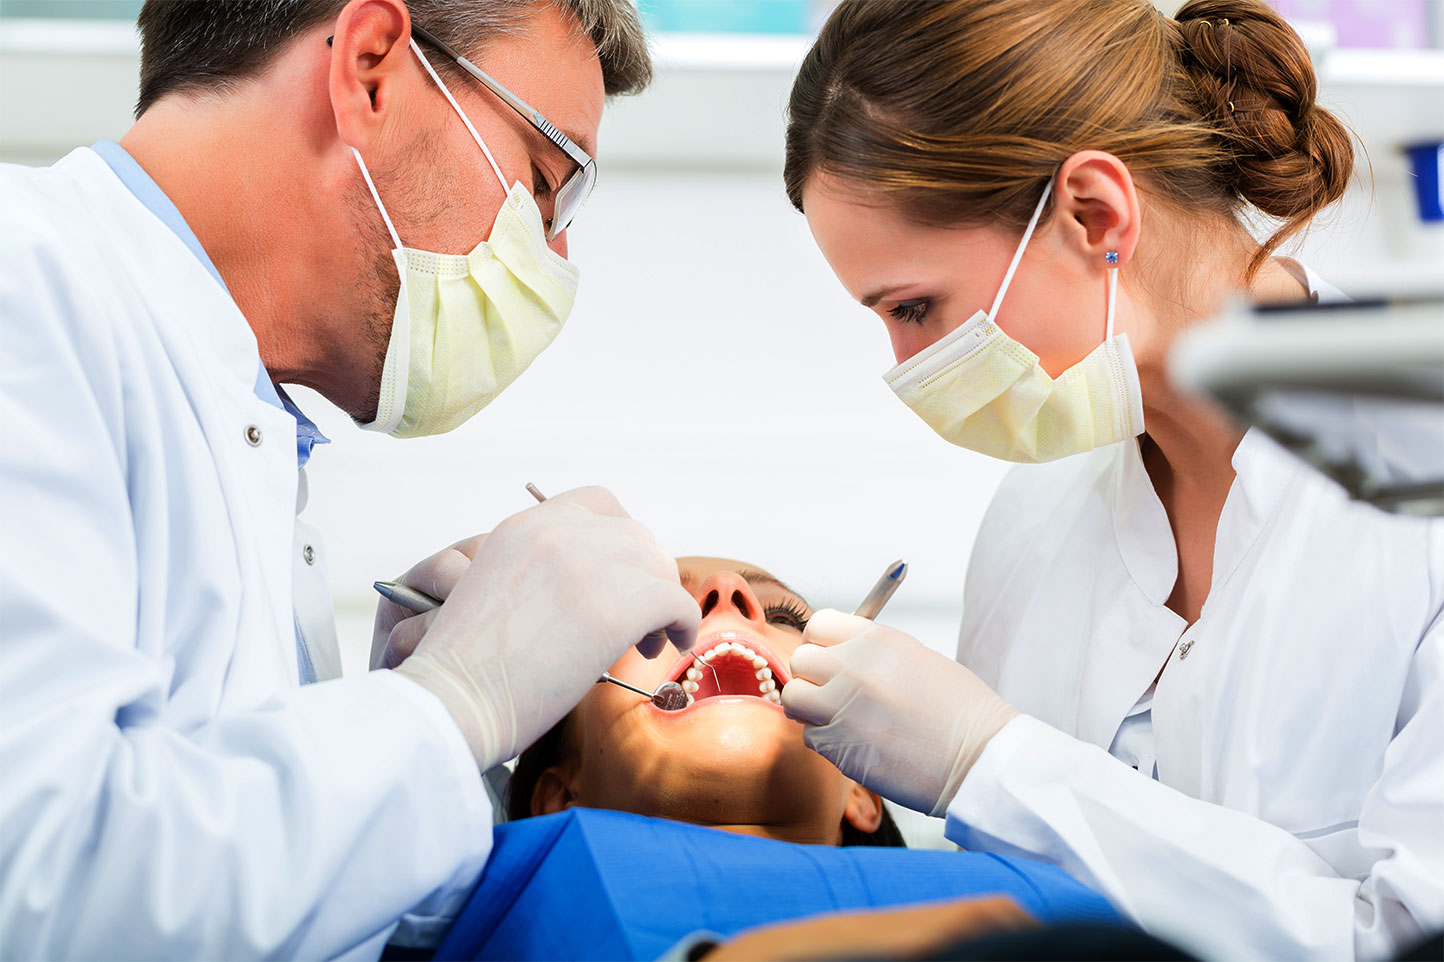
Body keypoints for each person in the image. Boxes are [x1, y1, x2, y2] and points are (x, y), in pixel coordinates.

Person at [0, 1, 701, 957]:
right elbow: (43, 889)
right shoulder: (24, 285)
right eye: (547, 184)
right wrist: (449, 708)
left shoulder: (237, 417)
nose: (557, 254)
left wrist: (384, 727)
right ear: (371, 67)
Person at [775, 0, 1444, 959]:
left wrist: (991, 763)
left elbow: (1406, 939)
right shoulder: (1034, 521)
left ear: (1096, 215)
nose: (907, 362)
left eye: (917, 307)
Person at [432, 557, 1126, 961]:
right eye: (648, 619)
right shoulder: (456, 920)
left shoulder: (1062, 911)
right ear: (557, 792)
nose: (727, 593)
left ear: (865, 782)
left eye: (787, 618)